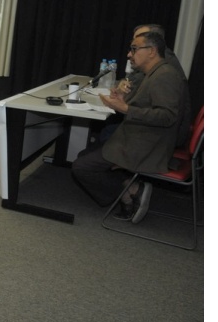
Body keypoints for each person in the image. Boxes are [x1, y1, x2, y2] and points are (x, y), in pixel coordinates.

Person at [71, 32, 188, 224]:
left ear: (152, 51)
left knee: (81, 167)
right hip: (141, 136)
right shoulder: (156, 72)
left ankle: (131, 190)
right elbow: (148, 104)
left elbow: (167, 116)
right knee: (86, 154)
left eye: (134, 49)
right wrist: (123, 99)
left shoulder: (164, 76)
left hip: (148, 145)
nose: (129, 54)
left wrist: (125, 108)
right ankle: (130, 186)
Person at [115, 24, 190, 146]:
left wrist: (123, 104)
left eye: (136, 46)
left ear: (152, 45)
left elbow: (165, 115)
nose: (130, 54)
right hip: (150, 129)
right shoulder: (159, 60)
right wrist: (123, 84)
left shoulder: (164, 69)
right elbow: (131, 80)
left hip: (157, 138)